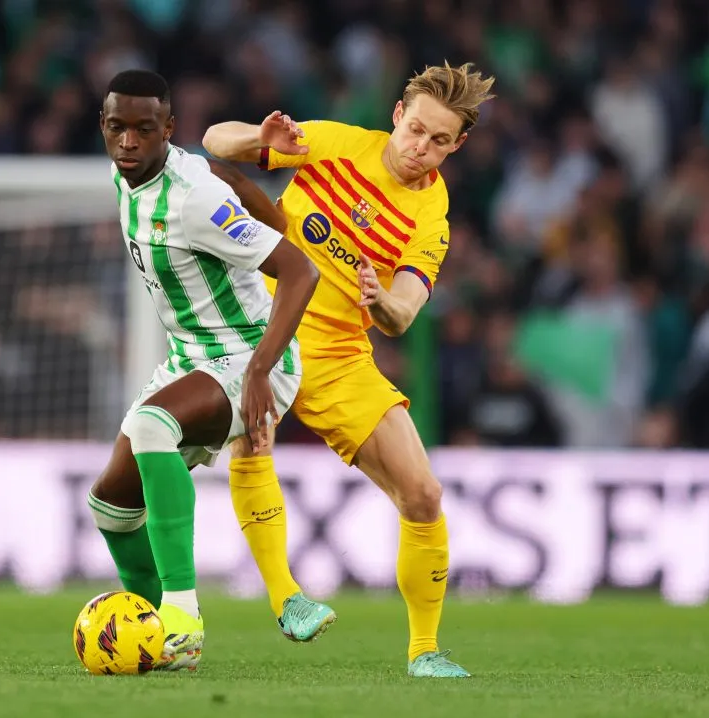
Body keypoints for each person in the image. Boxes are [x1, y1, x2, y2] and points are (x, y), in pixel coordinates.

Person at [202, 61, 495, 678]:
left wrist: (380, 299)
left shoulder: (430, 218)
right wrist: (261, 138)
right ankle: (287, 599)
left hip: (339, 355)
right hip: (262, 328)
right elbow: (211, 143)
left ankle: (424, 652)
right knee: (252, 440)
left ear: (458, 144)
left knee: (423, 494)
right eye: (416, 130)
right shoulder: (334, 143)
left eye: (440, 141)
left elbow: (403, 316)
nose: (422, 149)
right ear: (397, 115)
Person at [87, 69, 329, 671]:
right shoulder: (129, 178)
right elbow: (215, 165)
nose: (129, 143)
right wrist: (269, 210)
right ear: (104, 126)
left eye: (145, 130)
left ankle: (183, 619)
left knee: (150, 427)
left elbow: (301, 272)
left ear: (168, 130)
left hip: (251, 355)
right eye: (118, 128)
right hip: (189, 357)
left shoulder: (194, 202)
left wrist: (257, 374)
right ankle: (147, 630)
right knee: (110, 506)